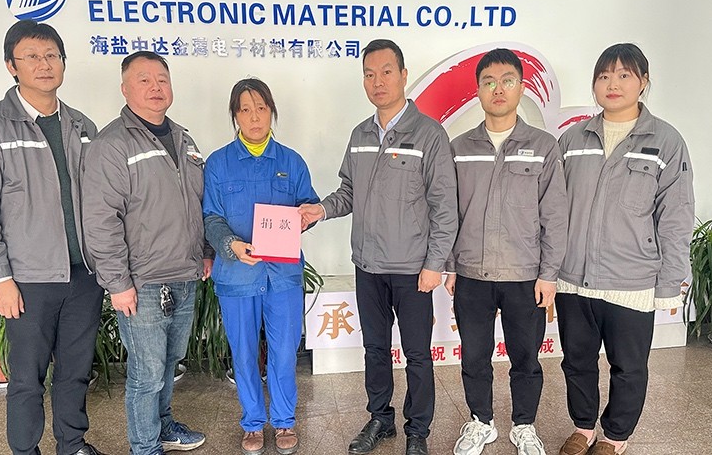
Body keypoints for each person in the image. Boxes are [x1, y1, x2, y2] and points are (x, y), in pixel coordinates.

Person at [299, 39, 458, 455]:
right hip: (368, 265)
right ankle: (380, 419)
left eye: (386, 72)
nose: (378, 81)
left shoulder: (429, 135)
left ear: (403, 75)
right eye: (369, 74)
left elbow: (445, 206)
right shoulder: (361, 135)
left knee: (417, 354)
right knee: (374, 348)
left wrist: (435, 263)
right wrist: (320, 210)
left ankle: (418, 431)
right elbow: (348, 193)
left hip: (413, 269)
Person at [0, 20, 106, 455]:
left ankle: (72, 444)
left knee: (75, 371)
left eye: (52, 56)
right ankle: (25, 450)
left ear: (63, 62)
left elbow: (102, 200)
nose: (44, 65)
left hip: (84, 275)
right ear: (12, 66)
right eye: (32, 57)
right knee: (27, 377)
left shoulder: (82, 126)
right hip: (28, 280)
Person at [556, 43, 694, 455]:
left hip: (631, 280)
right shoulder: (572, 139)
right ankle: (583, 428)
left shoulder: (665, 141)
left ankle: (615, 437)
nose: (612, 84)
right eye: (604, 76)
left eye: (623, 75)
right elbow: (552, 208)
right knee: (576, 360)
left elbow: (676, 215)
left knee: (628, 367)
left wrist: (669, 283)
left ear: (643, 82)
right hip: (572, 277)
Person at [82, 51, 212, 455]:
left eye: (162, 79)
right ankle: (144, 446)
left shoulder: (184, 139)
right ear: (125, 89)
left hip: (185, 274)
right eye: (144, 80)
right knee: (147, 372)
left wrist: (206, 251)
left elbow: (200, 202)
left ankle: (164, 425)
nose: (156, 87)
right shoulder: (111, 144)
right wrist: (117, 283)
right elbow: (100, 220)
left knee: (170, 362)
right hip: (142, 283)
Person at [443, 48, 568, 455]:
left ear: (521, 87)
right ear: (478, 90)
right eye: (489, 82)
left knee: (526, 358)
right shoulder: (459, 147)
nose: (498, 89)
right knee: (474, 357)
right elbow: (447, 211)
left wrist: (549, 274)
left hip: (525, 276)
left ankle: (524, 425)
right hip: (471, 273)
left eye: (508, 81)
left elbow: (555, 216)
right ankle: (480, 421)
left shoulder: (544, 146)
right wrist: (449, 265)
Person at [203, 78, 320, 455]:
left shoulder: (291, 161)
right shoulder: (218, 163)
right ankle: (253, 421)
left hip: (282, 277)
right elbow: (211, 217)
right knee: (243, 352)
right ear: (235, 116)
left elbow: (308, 205)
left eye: (261, 108)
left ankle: (284, 420)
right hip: (237, 277)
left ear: (272, 112)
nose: (254, 117)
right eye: (245, 109)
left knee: (285, 351)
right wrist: (231, 245)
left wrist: (305, 217)